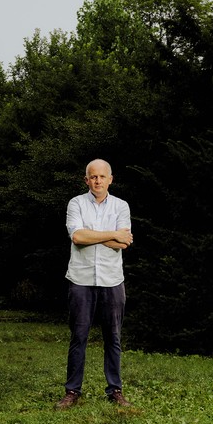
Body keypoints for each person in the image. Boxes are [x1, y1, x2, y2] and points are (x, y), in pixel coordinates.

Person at [55, 159, 135, 410]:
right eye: (93, 177)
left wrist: (94, 236)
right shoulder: (76, 203)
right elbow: (77, 237)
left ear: (110, 179)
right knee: (79, 337)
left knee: (113, 337)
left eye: (102, 176)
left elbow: (123, 243)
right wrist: (111, 234)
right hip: (81, 279)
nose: (98, 180)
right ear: (86, 180)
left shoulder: (121, 206)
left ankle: (115, 390)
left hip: (113, 280)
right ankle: (72, 391)